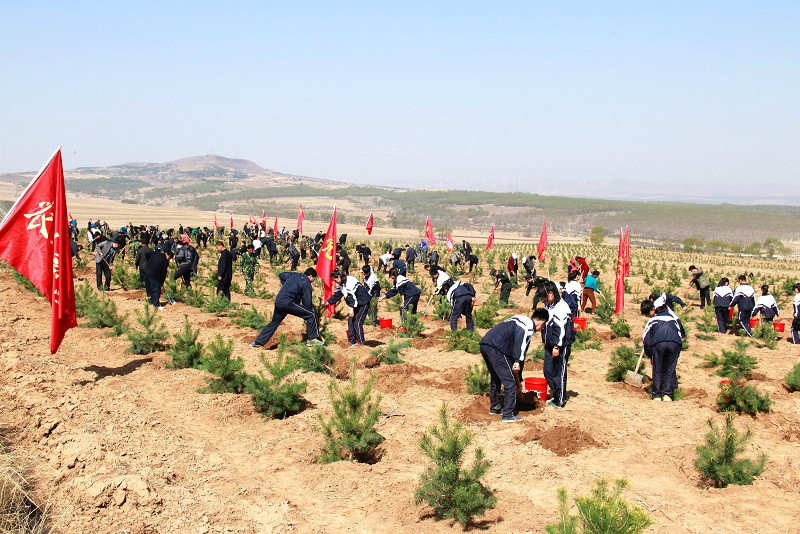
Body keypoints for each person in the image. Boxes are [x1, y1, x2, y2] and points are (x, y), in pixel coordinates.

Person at [479, 310, 547, 422]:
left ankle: (495, 407)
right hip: (498, 347)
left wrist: (519, 378)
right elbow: (520, 345)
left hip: (486, 344)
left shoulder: (520, 319)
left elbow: (521, 353)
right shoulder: (528, 327)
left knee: (496, 377)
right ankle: (508, 414)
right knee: (510, 382)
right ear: (542, 323)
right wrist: (516, 361)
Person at [251, 268, 322, 348]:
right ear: (310, 276)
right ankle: (313, 340)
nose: (313, 281)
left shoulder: (294, 275)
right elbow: (307, 302)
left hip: (279, 301)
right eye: (314, 279)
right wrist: (306, 314)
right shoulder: (306, 283)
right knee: (311, 314)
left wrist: (286, 286)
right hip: (288, 303)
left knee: (274, 323)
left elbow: (281, 275)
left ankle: (257, 342)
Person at [641, 299, 685, 401]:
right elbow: (681, 336)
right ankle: (668, 396)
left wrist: (651, 355)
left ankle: (657, 395)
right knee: (670, 369)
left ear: (655, 310)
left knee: (657, 369)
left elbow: (646, 340)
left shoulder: (652, 321)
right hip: (675, 343)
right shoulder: (674, 320)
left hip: (659, 343)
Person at [541, 282, 576, 408]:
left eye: (545, 296)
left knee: (559, 372)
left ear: (551, 293)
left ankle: (560, 400)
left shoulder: (562, 307)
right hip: (550, 344)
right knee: (547, 371)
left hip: (561, 345)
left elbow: (560, 329)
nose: (544, 299)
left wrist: (557, 346)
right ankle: (557, 393)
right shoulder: (549, 305)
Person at [326, 270, 371, 346]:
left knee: (357, 322)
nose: (335, 282)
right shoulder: (342, 284)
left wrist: (351, 309)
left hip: (363, 302)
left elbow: (352, 296)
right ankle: (352, 341)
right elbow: (337, 295)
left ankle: (361, 343)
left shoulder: (350, 281)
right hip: (356, 303)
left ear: (339, 277)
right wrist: (328, 302)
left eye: (335, 280)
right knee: (351, 321)